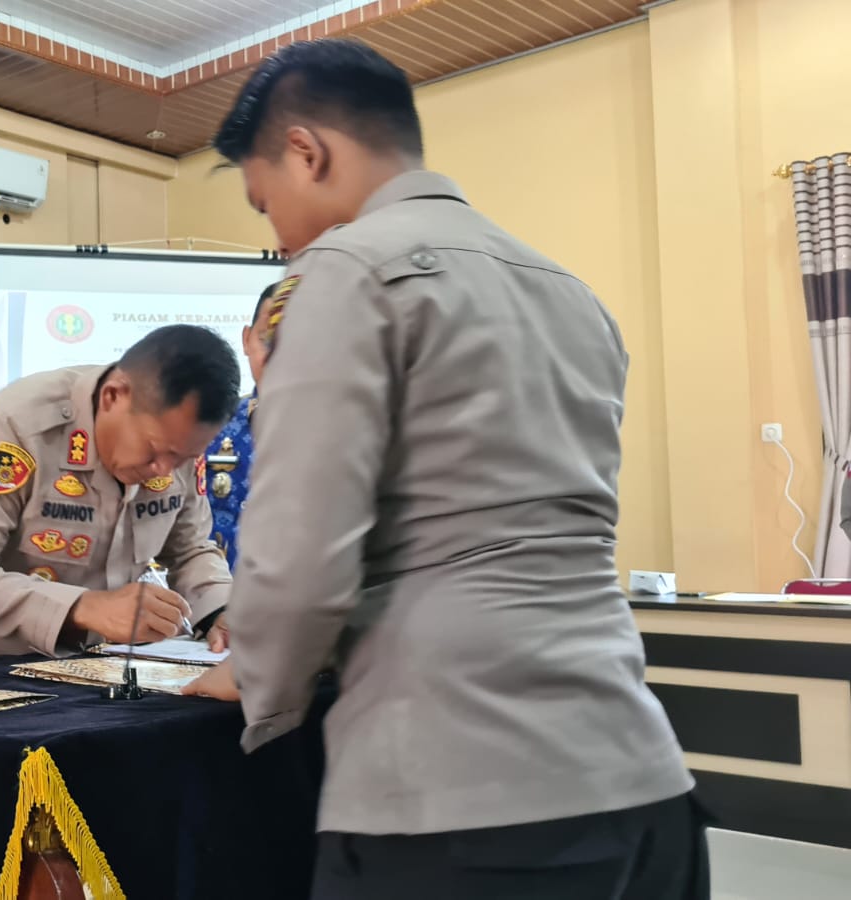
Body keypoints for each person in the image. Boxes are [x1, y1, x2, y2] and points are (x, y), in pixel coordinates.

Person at [183, 40, 707, 899]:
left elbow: (304, 551)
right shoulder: (571, 292)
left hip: (455, 798)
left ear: (308, 152)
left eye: (265, 202)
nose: (276, 241)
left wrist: (254, 681)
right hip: (640, 781)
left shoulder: (346, 271)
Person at [0, 325, 239, 666]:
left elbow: (190, 548)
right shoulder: (18, 425)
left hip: (78, 670)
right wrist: (83, 607)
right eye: (154, 451)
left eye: (182, 458)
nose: (164, 470)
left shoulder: (175, 442)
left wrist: (220, 610)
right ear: (113, 396)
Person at [206, 282, 278, 569]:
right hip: (215, 604)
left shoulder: (349, 435)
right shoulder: (210, 425)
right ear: (247, 340)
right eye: (267, 341)